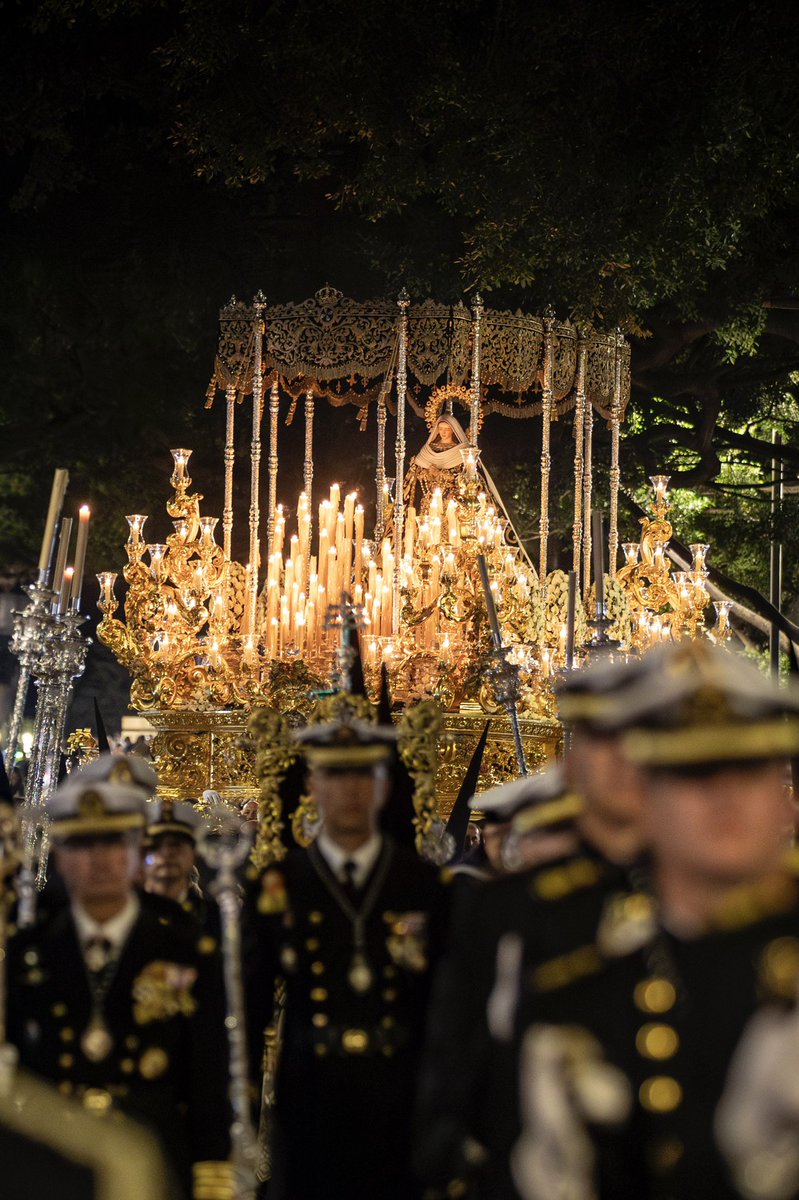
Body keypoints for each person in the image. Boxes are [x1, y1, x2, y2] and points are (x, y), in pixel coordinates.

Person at [514, 640, 799, 1200]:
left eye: (749, 767)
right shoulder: (582, 997)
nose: (725, 796)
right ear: (645, 797)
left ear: (785, 797)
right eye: (693, 772)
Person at [414, 653, 651, 1200]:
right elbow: (458, 1045)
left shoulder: (690, 894)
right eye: (598, 741)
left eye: (633, 741)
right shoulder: (509, 908)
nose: (617, 763)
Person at [6, 756, 233, 1200]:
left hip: (154, 1158)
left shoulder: (184, 948)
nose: (99, 860)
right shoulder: (33, 951)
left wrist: (210, 1174)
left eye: (113, 843)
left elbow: (207, 1072)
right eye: (82, 844)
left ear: (135, 852)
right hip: (58, 1157)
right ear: (62, 857)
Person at [245, 716, 450, 1200]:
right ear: (314, 785)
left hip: (400, 1091)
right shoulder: (282, 884)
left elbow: (446, 1001)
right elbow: (252, 1003)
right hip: (311, 1091)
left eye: (363, 775)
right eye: (336, 775)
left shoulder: (420, 883)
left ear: (382, 786)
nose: (350, 789)